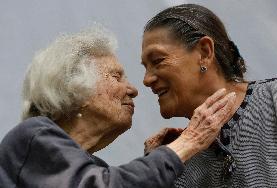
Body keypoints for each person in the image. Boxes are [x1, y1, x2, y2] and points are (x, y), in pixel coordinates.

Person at [0, 24, 236, 188]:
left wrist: (154, 159)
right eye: (116, 77)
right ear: (74, 86)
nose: (134, 89)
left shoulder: (92, 168)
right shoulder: (31, 136)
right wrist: (188, 142)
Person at [141, 3, 277, 188]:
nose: (146, 79)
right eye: (145, 67)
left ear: (204, 52)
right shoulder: (177, 160)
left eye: (158, 60)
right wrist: (157, 169)